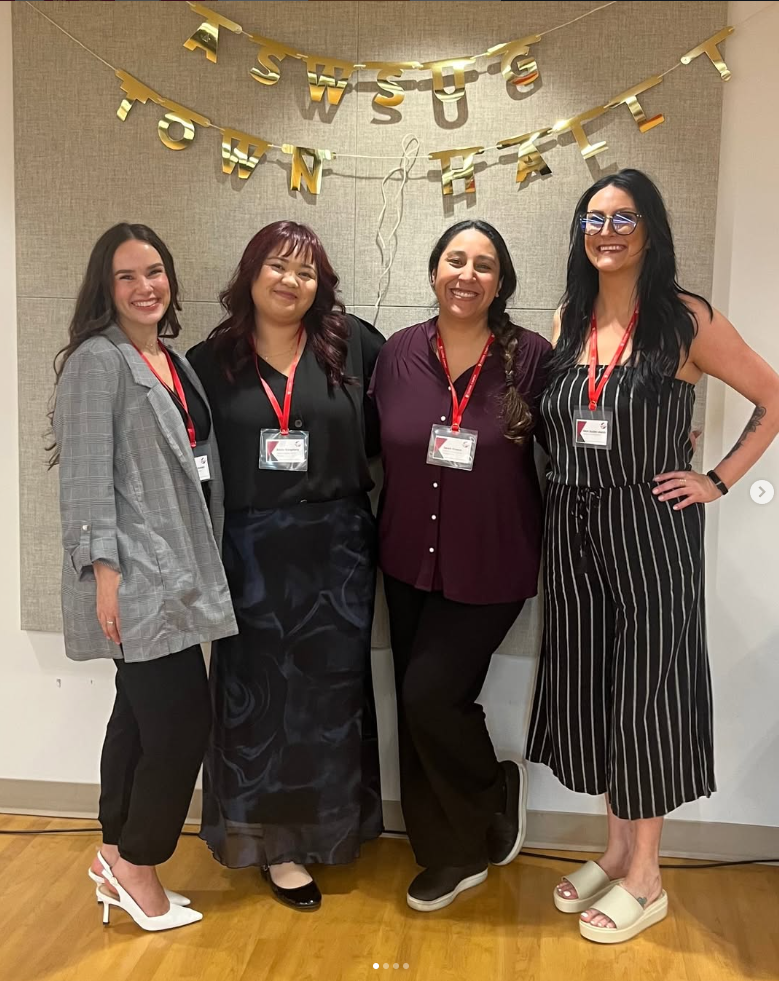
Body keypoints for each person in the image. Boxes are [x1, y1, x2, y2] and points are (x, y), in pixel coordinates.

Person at [526, 168, 779, 944]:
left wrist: (716, 479)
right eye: (592, 218)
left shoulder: (685, 319)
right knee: (594, 687)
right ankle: (613, 849)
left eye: (622, 217)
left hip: (649, 526)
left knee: (645, 692)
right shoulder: (570, 318)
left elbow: (772, 397)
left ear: (650, 229)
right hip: (570, 523)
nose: (606, 230)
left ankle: (648, 875)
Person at [188, 221, 384, 912]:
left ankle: (326, 831)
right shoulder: (208, 362)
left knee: (326, 704)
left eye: (304, 270)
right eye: (277, 265)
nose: (289, 280)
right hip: (246, 554)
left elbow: (411, 421)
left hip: (336, 553)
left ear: (319, 283)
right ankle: (272, 845)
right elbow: (179, 460)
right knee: (256, 703)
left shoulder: (350, 343)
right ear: (250, 273)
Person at [51, 223, 237, 932]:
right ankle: (137, 861)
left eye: (153, 271)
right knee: (183, 723)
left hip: (180, 567)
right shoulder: (98, 361)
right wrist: (104, 575)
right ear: (106, 287)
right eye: (126, 276)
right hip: (135, 575)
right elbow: (86, 480)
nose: (144, 286)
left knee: (135, 715)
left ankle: (113, 851)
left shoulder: (169, 361)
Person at [369, 220, 552, 912]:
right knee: (417, 709)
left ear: (500, 282)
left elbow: (579, 422)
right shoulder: (396, 355)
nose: (466, 274)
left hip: (492, 561)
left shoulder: (531, 358)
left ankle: (487, 800)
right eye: (455, 259)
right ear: (434, 270)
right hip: (405, 556)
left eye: (483, 264)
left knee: (428, 695)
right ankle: (442, 850)